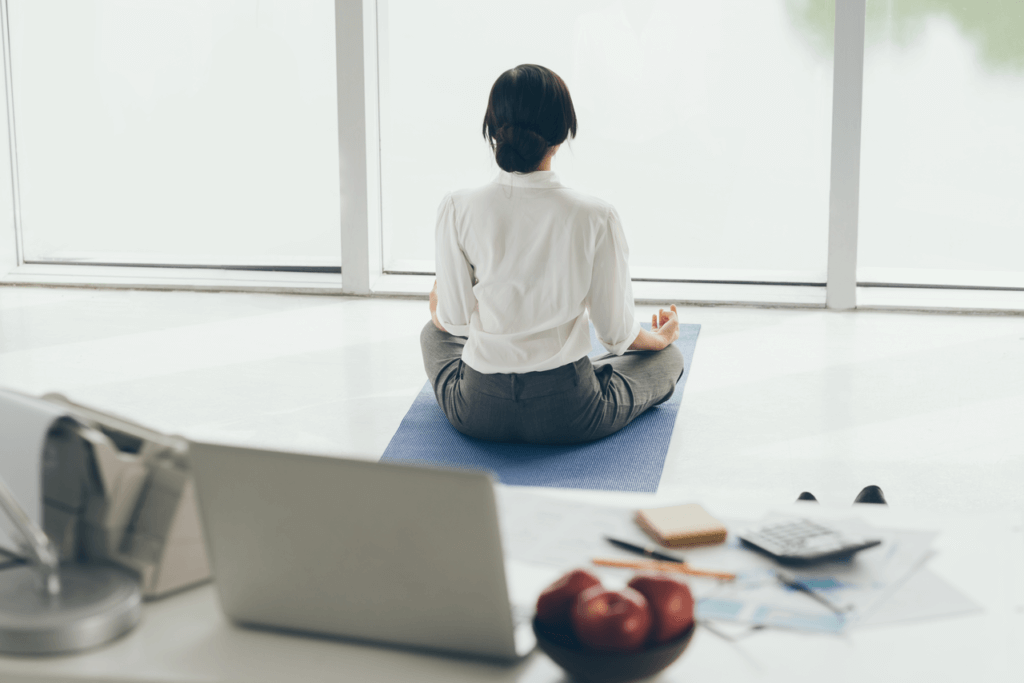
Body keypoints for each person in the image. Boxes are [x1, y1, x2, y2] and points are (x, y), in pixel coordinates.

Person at [421, 64, 684, 445]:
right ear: (562, 135)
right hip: (568, 412)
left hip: (477, 409)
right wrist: (661, 340)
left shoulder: (457, 207)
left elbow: (454, 321)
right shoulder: (596, 215)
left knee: (432, 336)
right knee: (670, 361)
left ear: (493, 132)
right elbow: (615, 335)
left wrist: (438, 306)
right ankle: (601, 372)